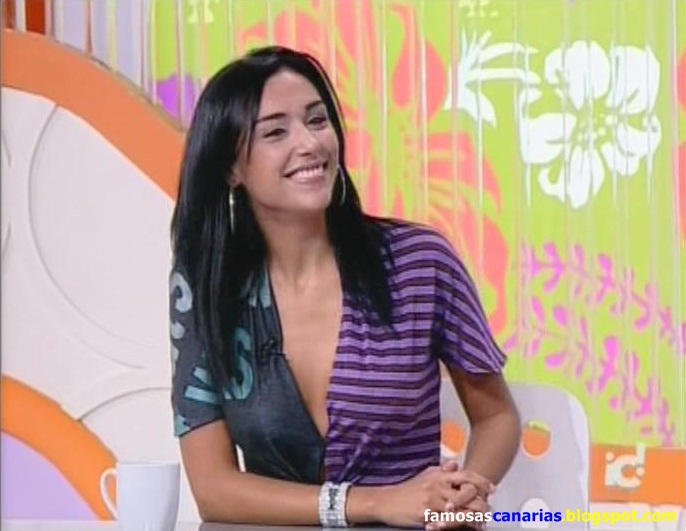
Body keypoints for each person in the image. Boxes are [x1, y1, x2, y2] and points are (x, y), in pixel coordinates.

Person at [169, 45, 521, 530]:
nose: (310, 144)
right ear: (232, 167)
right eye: (275, 131)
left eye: (317, 121)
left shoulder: (419, 261)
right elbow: (214, 490)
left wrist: (462, 494)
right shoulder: (207, 285)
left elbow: (496, 417)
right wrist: (373, 503)